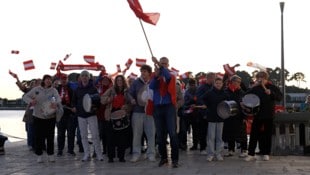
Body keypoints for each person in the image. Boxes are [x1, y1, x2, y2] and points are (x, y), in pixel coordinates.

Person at [23, 74, 63, 163]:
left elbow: (59, 99)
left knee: (50, 137)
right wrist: (31, 101)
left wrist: (55, 103)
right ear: (43, 80)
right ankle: (39, 155)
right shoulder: (36, 89)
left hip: (50, 117)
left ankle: (50, 155)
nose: (48, 81)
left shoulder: (53, 90)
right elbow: (25, 97)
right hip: (38, 117)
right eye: (47, 79)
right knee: (38, 137)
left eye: (50, 80)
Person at [244, 71, 282, 161]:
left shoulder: (272, 87)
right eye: (258, 77)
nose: (260, 79)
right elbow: (245, 96)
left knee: (267, 134)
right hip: (257, 114)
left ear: (266, 78)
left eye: (262, 77)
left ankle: (266, 153)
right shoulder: (255, 88)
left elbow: (279, 98)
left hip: (269, 113)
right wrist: (252, 87)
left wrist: (271, 93)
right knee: (254, 134)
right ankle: (251, 154)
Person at [149, 56, 179, 168]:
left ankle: (175, 159)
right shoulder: (155, 75)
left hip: (169, 107)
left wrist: (159, 65)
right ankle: (164, 158)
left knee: (172, 133)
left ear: (168, 64)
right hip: (158, 107)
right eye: (162, 63)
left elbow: (167, 76)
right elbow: (152, 86)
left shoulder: (171, 75)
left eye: (165, 63)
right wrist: (156, 76)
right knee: (160, 135)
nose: (163, 65)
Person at [71, 70, 103, 162]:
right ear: (80, 78)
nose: (84, 77)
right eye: (83, 76)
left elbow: (97, 101)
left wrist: (95, 107)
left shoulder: (93, 88)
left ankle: (98, 154)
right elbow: (73, 101)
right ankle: (86, 154)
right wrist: (73, 107)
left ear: (89, 78)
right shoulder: (77, 89)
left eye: (86, 76)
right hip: (81, 115)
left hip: (91, 115)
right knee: (83, 136)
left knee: (95, 135)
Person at [101, 74, 133, 163]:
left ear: (123, 82)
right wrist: (110, 99)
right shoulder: (111, 90)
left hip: (123, 117)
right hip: (111, 117)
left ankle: (121, 157)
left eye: (121, 80)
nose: (119, 82)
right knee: (110, 138)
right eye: (118, 80)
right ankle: (111, 157)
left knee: (122, 138)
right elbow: (102, 99)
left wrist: (126, 107)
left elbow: (131, 105)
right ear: (115, 82)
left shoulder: (127, 91)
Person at [128, 64, 156, 162]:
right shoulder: (136, 82)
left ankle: (151, 153)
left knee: (151, 133)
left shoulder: (153, 82)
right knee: (136, 134)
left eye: (145, 71)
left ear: (149, 72)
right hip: (137, 111)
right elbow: (129, 93)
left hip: (150, 112)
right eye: (142, 71)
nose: (143, 73)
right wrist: (131, 99)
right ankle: (136, 153)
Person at [222, 75, 248, 158]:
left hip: (239, 116)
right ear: (231, 82)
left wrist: (245, 117)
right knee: (229, 133)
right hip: (229, 115)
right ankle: (231, 150)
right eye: (236, 81)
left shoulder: (243, 93)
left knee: (242, 134)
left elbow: (246, 106)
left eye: (239, 82)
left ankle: (244, 150)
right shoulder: (225, 91)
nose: (237, 83)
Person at [202, 77, 227, 162]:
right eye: (217, 83)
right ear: (214, 84)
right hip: (211, 117)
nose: (218, 85)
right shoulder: (209, 93)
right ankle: (210, 154)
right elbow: (202, 99)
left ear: (222, 84)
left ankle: (219, 154)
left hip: (221, 117)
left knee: (219, 137)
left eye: (220, 83)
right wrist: (205, 105)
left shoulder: (225, 93)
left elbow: (229, 103)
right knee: (211, 137)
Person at [55, 73, 77, 156]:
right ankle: (60, 150)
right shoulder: (56, 90)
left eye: (65, 79)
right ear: (60, 80)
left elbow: (75, 100)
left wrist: (74, 107)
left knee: (71, 133)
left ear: (67, 80)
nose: (64, 80)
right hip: (60, 115)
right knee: (60, 134)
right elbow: (52, 99)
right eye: (62, 79)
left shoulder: (71, 90)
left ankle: (70, 149)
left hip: (70, 114)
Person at [195, 72, 216, 154]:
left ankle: (212, 147)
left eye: (214, 78)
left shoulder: (214, 87)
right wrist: (204, 110)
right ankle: (202, 148)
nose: (214, 80)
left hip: (213, 113)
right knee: (203, 131)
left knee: (212, 131)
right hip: (203, 112)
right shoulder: (201, 88)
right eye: (212, 78)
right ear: (208, 78)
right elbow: (199, 99)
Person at [94, 72, 113, 156]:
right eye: (103, 80)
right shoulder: (98, 89)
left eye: (106, 80)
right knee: (99, 133)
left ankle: (106, 149)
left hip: (108, 114)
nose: (104, 81)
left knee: (107, 133)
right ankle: (96, 151)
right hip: (99, 114)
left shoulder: (112, 89)